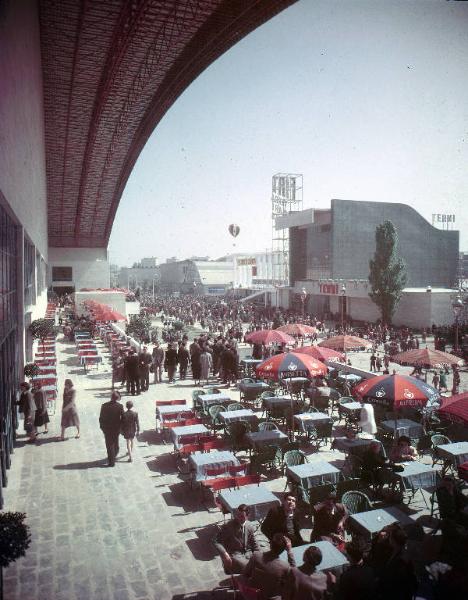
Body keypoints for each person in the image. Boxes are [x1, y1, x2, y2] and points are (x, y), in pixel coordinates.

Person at [243, 533, 295, 600]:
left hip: (254, 595)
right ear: (283, 549)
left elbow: (245, 574)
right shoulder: (285, 567)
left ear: (270, 545)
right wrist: (289, 551)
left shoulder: (256, 556)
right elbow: (294, 575)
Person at [212, 504, 259, 574]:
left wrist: (260, 554)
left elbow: (254, 542)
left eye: (242, 516)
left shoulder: (249, 526)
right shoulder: (229, 526)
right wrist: (225, 554)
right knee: (251, 569)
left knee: (262, 566)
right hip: (235, 554)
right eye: (238, 515)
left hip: (248, 553)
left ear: (247, 516)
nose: (239, 518)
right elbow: (216, 541)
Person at [378, 524, 417, 600]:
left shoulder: (401, 560)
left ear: (393, 540)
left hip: (396, 594)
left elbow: (396, 580)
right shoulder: (399, 551)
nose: (389, 538)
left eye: (390, 537)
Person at [99, 390, 124, 467]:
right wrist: (121, 428)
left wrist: (102, 428)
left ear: (111, 397)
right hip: (116, 429)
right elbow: (123, 418)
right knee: (115, 443)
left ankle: (111, 461)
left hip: (107, 429)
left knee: (109, 445)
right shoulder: (120, 406)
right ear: (117, 398)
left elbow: (101, 418)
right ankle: (114, 456)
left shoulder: (104, 406)